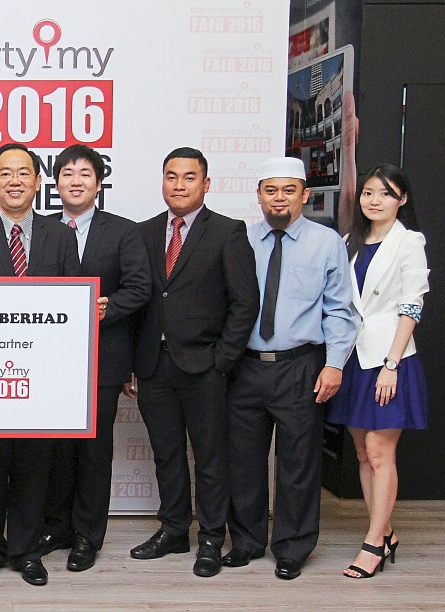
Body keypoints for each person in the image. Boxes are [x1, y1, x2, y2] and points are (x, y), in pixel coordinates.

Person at [0, 143, 82, 587]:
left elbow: (71, 305)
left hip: (42, 378)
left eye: (24, 172)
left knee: (32, 466)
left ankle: (25, 550)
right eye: (5, 173)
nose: (15, 181)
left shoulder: (60, 236)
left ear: (38, 182)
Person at [125, 147, 259, 578]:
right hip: (153, 365)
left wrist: (223, 361)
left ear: (206, 183)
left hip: (205, 367)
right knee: (166, 454)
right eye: (171, 177)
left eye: (188, 177)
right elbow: (139, 300)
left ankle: (212, 538)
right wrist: (132, 362)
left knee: (210, 457)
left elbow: (244, 303)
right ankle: (174, 529)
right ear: (162, 181)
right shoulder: (143, 233)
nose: (179, 185)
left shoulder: (227, 231)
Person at [222, 157, 357, 580]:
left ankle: (292, 548)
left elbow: (340, 309)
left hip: (301, 365)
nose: (278, 198)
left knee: (299, 462)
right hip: (244, 367)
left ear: (304, 195)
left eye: (288, 190)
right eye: (270, 190)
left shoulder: (327, 241)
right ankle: (245, 541)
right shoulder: (240, 238)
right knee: (242, 462)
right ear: (259, 194)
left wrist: (335, 364)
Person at [39, 144, 152, 571]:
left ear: (98, 183)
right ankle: (56, 527)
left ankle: (87, 535)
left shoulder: (123, 232)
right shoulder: (42, 230)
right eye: (67, 173)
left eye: (84, 173)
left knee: (93, 448)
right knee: (55, 448)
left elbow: (139, 289)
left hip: (103, 359)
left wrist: (106, 307)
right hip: (49, 361)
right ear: (55, 184)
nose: (75, 180)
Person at [327, 163, 429, 579]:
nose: (374, 200)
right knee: (362, 453)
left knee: (380, 451)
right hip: (354, 357)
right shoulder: (349, 241)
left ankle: (372, 544)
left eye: (385, 194)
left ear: (401, 200)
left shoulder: (410, 242)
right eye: (368, 192)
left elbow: (412, 305)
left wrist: (392, 364)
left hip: (390, 359)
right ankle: (384, 531)